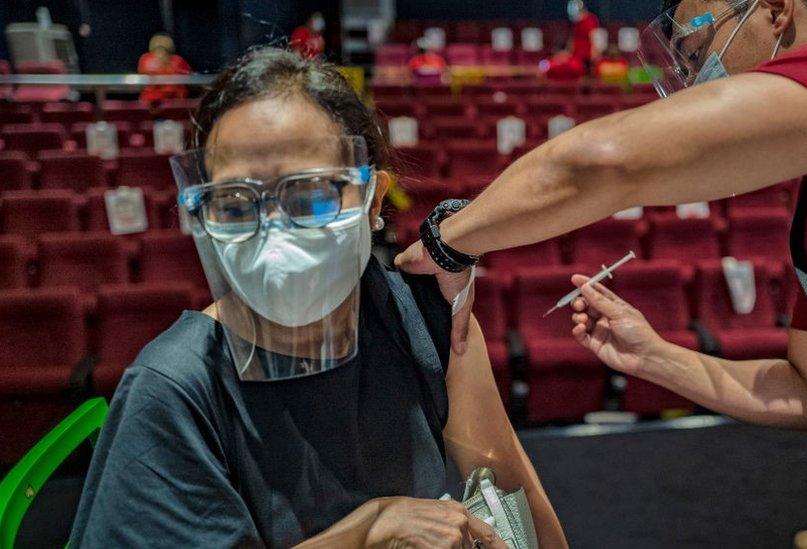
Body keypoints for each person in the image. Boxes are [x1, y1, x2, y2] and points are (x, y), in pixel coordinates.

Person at [395, 1, 807, 546]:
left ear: (774, 9)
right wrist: (651, 355)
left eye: (699, 51)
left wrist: (448, 240)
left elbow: (602, 162)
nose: (697, 83)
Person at [69, 47, 567, 549]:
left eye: (311, 196)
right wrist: (367, 530)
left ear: (374, 199)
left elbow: (522, 517)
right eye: (236, 202)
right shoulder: (177, 387)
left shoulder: (423, 322)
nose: (274, 232)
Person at [137, 33, 191, 103]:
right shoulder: (145, 59)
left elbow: (189, 76)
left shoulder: (144, 58)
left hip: (171, 102)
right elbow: (189, 74)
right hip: (172, 103)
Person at [568, 0, 600, 69]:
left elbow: (593, 36)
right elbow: (574, 36)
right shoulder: (576, 22)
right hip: (576, 53)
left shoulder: (590, 19)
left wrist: (594, 50)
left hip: (586, 53)